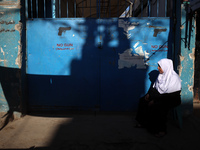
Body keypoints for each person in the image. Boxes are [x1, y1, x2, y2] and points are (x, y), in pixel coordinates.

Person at [135, 58, 181, 137]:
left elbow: (170, 95)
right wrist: (149, 95)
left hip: (172, 99)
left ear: (166, 67)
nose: (158, 68)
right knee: (143, 100)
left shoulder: (174, 78)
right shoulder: (161, 76)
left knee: (159, 107)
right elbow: (154, 88)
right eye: (158, 66)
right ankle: (143, 122)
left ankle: (161, 130)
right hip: (160, 97)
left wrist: (155, 101)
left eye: (160, 66)